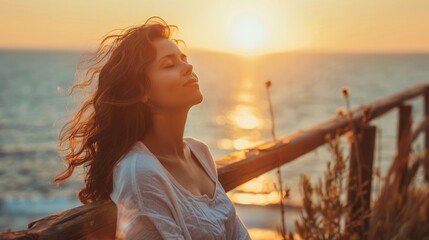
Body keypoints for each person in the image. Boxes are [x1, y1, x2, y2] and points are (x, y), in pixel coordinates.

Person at [54, 16, 251, 239]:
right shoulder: (139, 171)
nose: (188, 67)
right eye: (169, 64)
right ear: (142, 92)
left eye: (183, 59)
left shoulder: (199, 152)